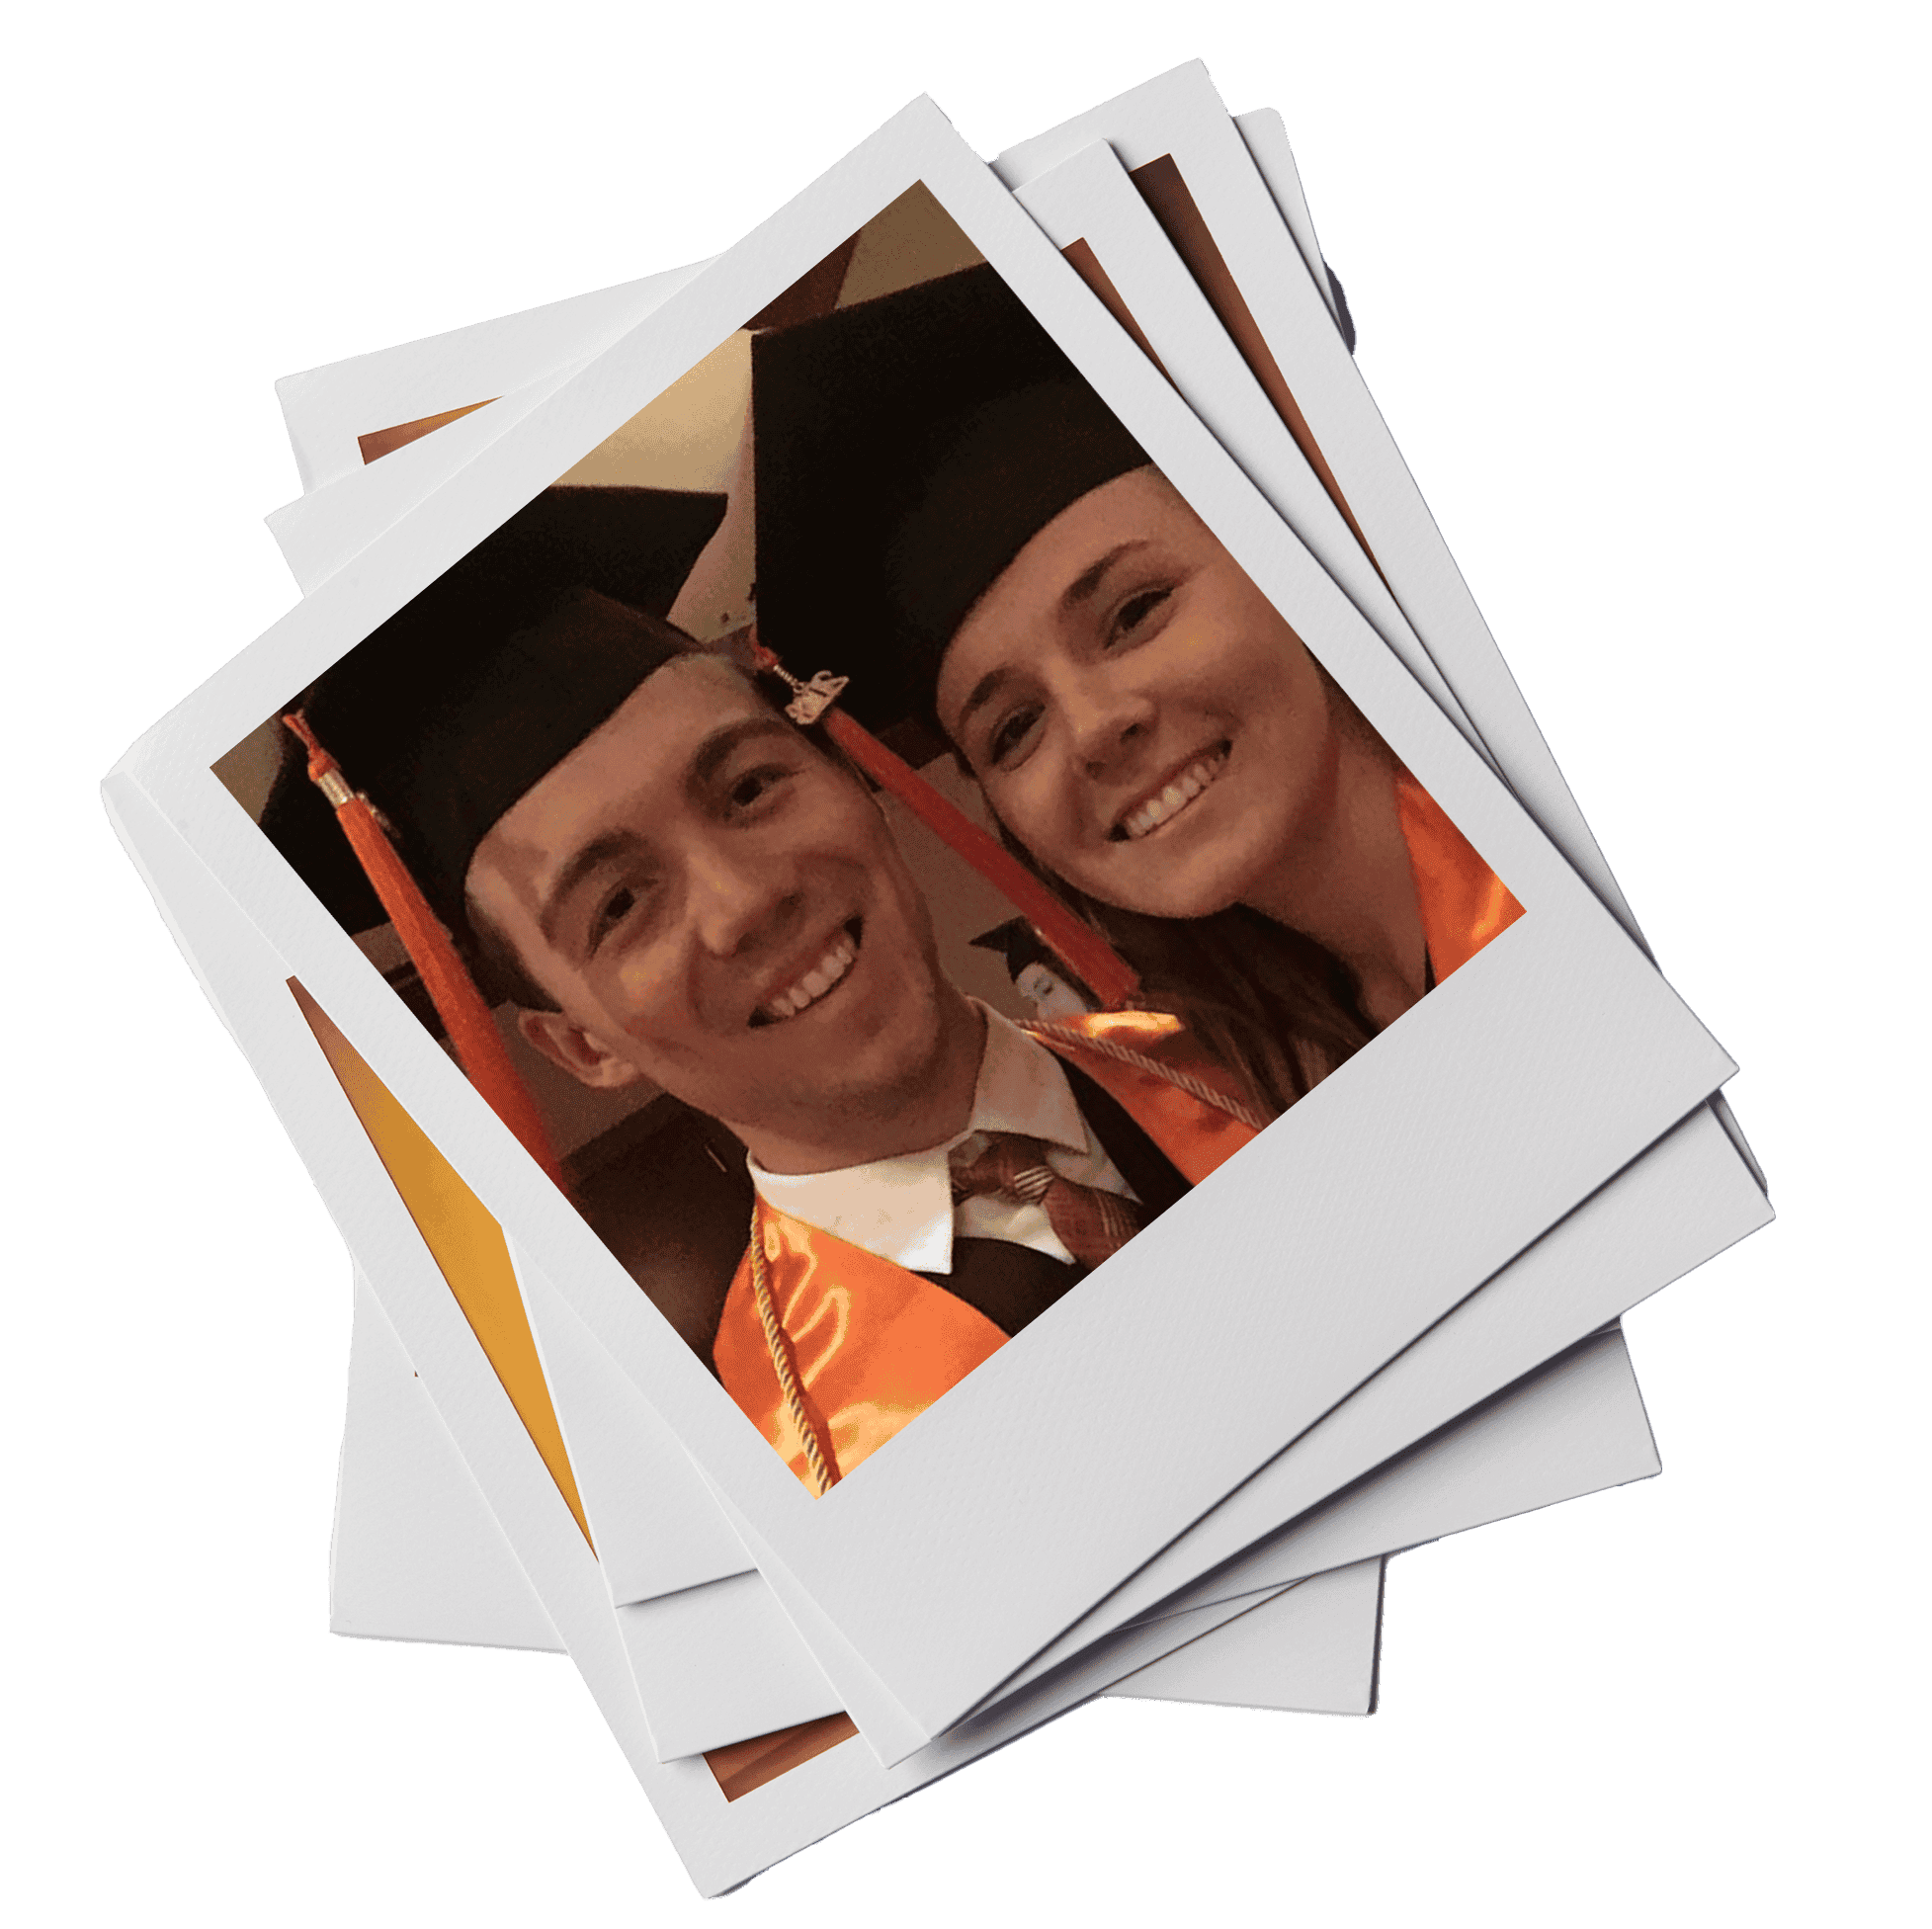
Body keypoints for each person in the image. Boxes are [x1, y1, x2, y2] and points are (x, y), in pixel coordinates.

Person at [257, 486, 1260, 1496]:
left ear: (848, 783)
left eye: (747, 788)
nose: (748, 899)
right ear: (582, 1047)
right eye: (619, 904)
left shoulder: (1256, 1049)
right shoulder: (773, 1468)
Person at [750, 265, 1523, 1121]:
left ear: (1284, 560)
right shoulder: (1259, 1090)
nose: (1092, 728)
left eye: (1134, 613)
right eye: (1013, 728)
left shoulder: (1563, 856)